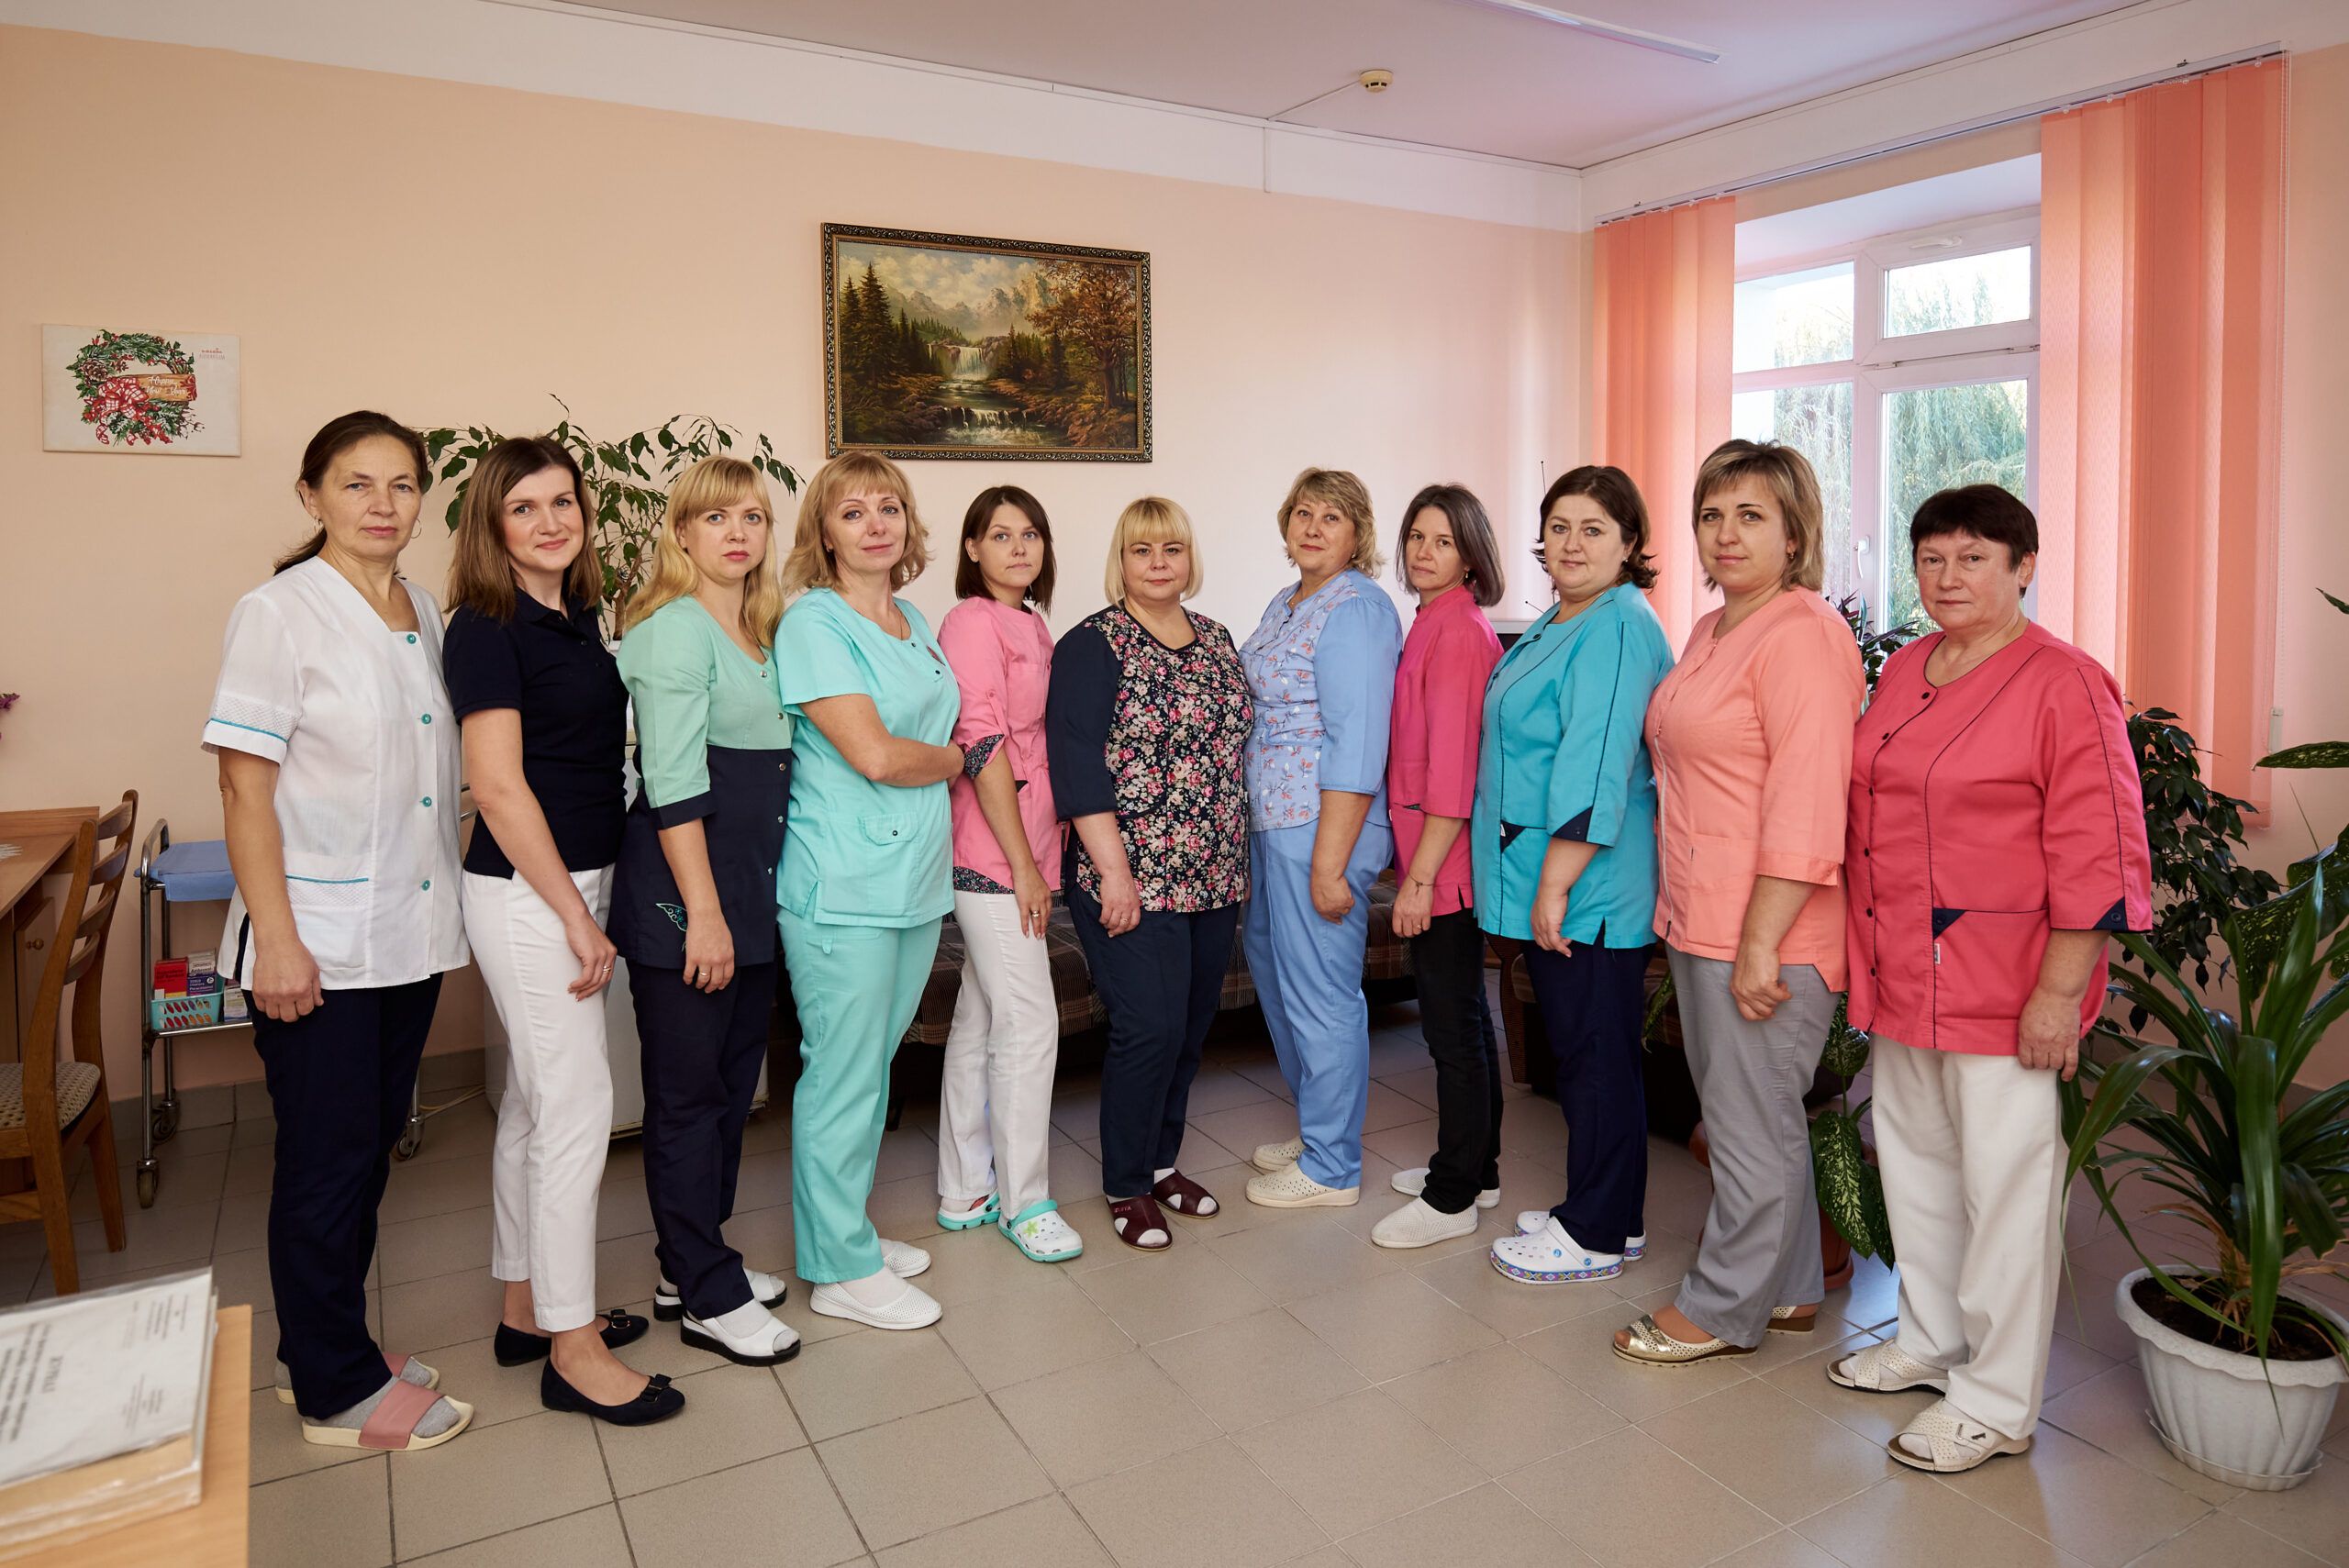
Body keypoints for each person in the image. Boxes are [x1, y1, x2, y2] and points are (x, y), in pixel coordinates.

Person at [1833, 485, 2152, 1472]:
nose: (1948, 577)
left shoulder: (2066, 683)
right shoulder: (1906, 668)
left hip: (2007, 985)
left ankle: (2000, 1400)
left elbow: (2099, 851)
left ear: (2023, 566)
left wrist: (2058, 995)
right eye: (1931, 558)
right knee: (1918, 1170)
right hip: (1902, 972)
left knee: (2008, 1193)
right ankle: (1930, 1341)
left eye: (1973, 557)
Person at [207, 411, 473, 1451]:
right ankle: (332, 1390)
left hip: (406, 934)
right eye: (357, 484)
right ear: (311, 494)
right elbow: (242, 788)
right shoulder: (278, 612)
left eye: (402, 484)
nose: (382, 504)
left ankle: (325, 1347)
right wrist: (277, 940)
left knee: (364, 1156)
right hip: (313, 938)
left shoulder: (422, 608)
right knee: (325, 1163)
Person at [444, 436, 677, 1427]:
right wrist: (577, 915)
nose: (551, 521)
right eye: (524, 507)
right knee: (578, 1106)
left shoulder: (577, 615)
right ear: (492, 526)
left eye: (563, 502)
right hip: (529, 891)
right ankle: (573, 1350)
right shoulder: (484, 627)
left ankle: (525, 1309)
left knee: (539, 1109)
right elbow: (497, 787)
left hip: (575, 876)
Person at [1614, 439, 1864, 1365]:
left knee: (1751, 1129)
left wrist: (1761, 941)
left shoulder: (1804, 635)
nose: (1726, 532)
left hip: (1769, 931)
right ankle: (1791, 1288)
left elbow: (1808, 802)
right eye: (1712, 514)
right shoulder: (1713, 628)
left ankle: (1722, 1308)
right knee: (1750, 1119)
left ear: (1795, 533)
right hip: (1702, 915)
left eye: (1750, 515)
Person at [608, 456, 796, 1368]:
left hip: (750, 893)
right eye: (715, 517)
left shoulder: (762, 629)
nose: (736, 532)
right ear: (681, 532)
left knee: (727, 1093)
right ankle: (708, 1296)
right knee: (687, 1100)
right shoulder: (670, 631)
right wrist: (706, 916)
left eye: (751, 516)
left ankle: (690, 1266)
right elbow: (675, 785)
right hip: (688, 897)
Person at [1473, 468, 1674, 1284]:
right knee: (1591, 1055)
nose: (1571, 543)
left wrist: (1553, 886)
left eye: (1593, 529)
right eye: (1559, 526)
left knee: (1594, 1060)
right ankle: (1614, 1215)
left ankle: (1592, 1232)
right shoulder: (1566, 617)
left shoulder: (1617, 626)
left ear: (1629, 543)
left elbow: (1595, 763)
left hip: (1588, 881)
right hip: (1553, 872)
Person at [776, 453, 961, 1329]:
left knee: (871, 1070)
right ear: (824, 532)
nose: (876, 524)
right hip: (842, 884)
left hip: (913, 879)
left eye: (889, 507)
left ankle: (844, 1228)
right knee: (841, 1076)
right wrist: (962, 760)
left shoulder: (911, 618)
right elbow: (877, 754)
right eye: (852, 512)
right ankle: (840, 1270)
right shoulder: (813, 623)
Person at [1046, 498, 1253, 1250]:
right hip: (1131, 873)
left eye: (1172, 548)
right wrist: (1114, 874)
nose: (1159, 562)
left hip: (1214, 873)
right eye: (1142, 550)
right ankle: (1126, 1182)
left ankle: (1163, 1162)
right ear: (1122, 561)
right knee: (1149, 1028)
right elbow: (1077, 767)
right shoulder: (1091, 644)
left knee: (1191, 1029)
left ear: (1189, 557)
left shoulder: (1219, 639)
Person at [1241, 468, 1404, 1207]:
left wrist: (1331, 864)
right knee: (1278, 978)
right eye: (1302, 512)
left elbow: (1358, 741)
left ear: (1357, 533)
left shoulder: (1358, 610)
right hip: (1273, 820)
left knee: (1321, 993)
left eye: (1332, 516)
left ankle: (1333, 1165)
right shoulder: (1287, 601)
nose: (1313, 526)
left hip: (1323, 823)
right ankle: (1318, 1127)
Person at [933, 485, 1082, 1263]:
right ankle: (1026, 1202)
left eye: (1031, 534)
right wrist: (1023, 864)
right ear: (972, 548)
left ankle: (964, 1187)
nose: (1019, 547)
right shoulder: (970, 621)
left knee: (981, 1017)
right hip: (994, 851)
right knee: (1029, 1022)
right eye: (1000, 535)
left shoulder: (1033, 622)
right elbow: (982, 742)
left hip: (1030, 843)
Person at [1373, 484, 1507, 1250]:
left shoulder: (1458, 631)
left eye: (1444, 541)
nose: (1425, 552)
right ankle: (1478, 1169)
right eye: (1417, 537)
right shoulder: (1433, 619)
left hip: (1444, 862)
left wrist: (1419, 881)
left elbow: (1454, 777)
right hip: (1435, 854)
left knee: (1451, 1031)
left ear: (1471, 554)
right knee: (1466, 1021)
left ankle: (1452, 1195)